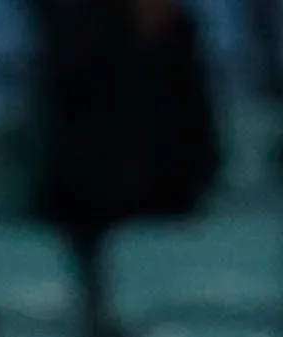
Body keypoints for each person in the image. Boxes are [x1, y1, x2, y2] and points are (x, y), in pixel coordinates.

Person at [30, 0, 222, 256]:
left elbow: (200, 145)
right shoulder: (76, 31)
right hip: (85, 217)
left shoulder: (181, 38)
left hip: (169, 211)